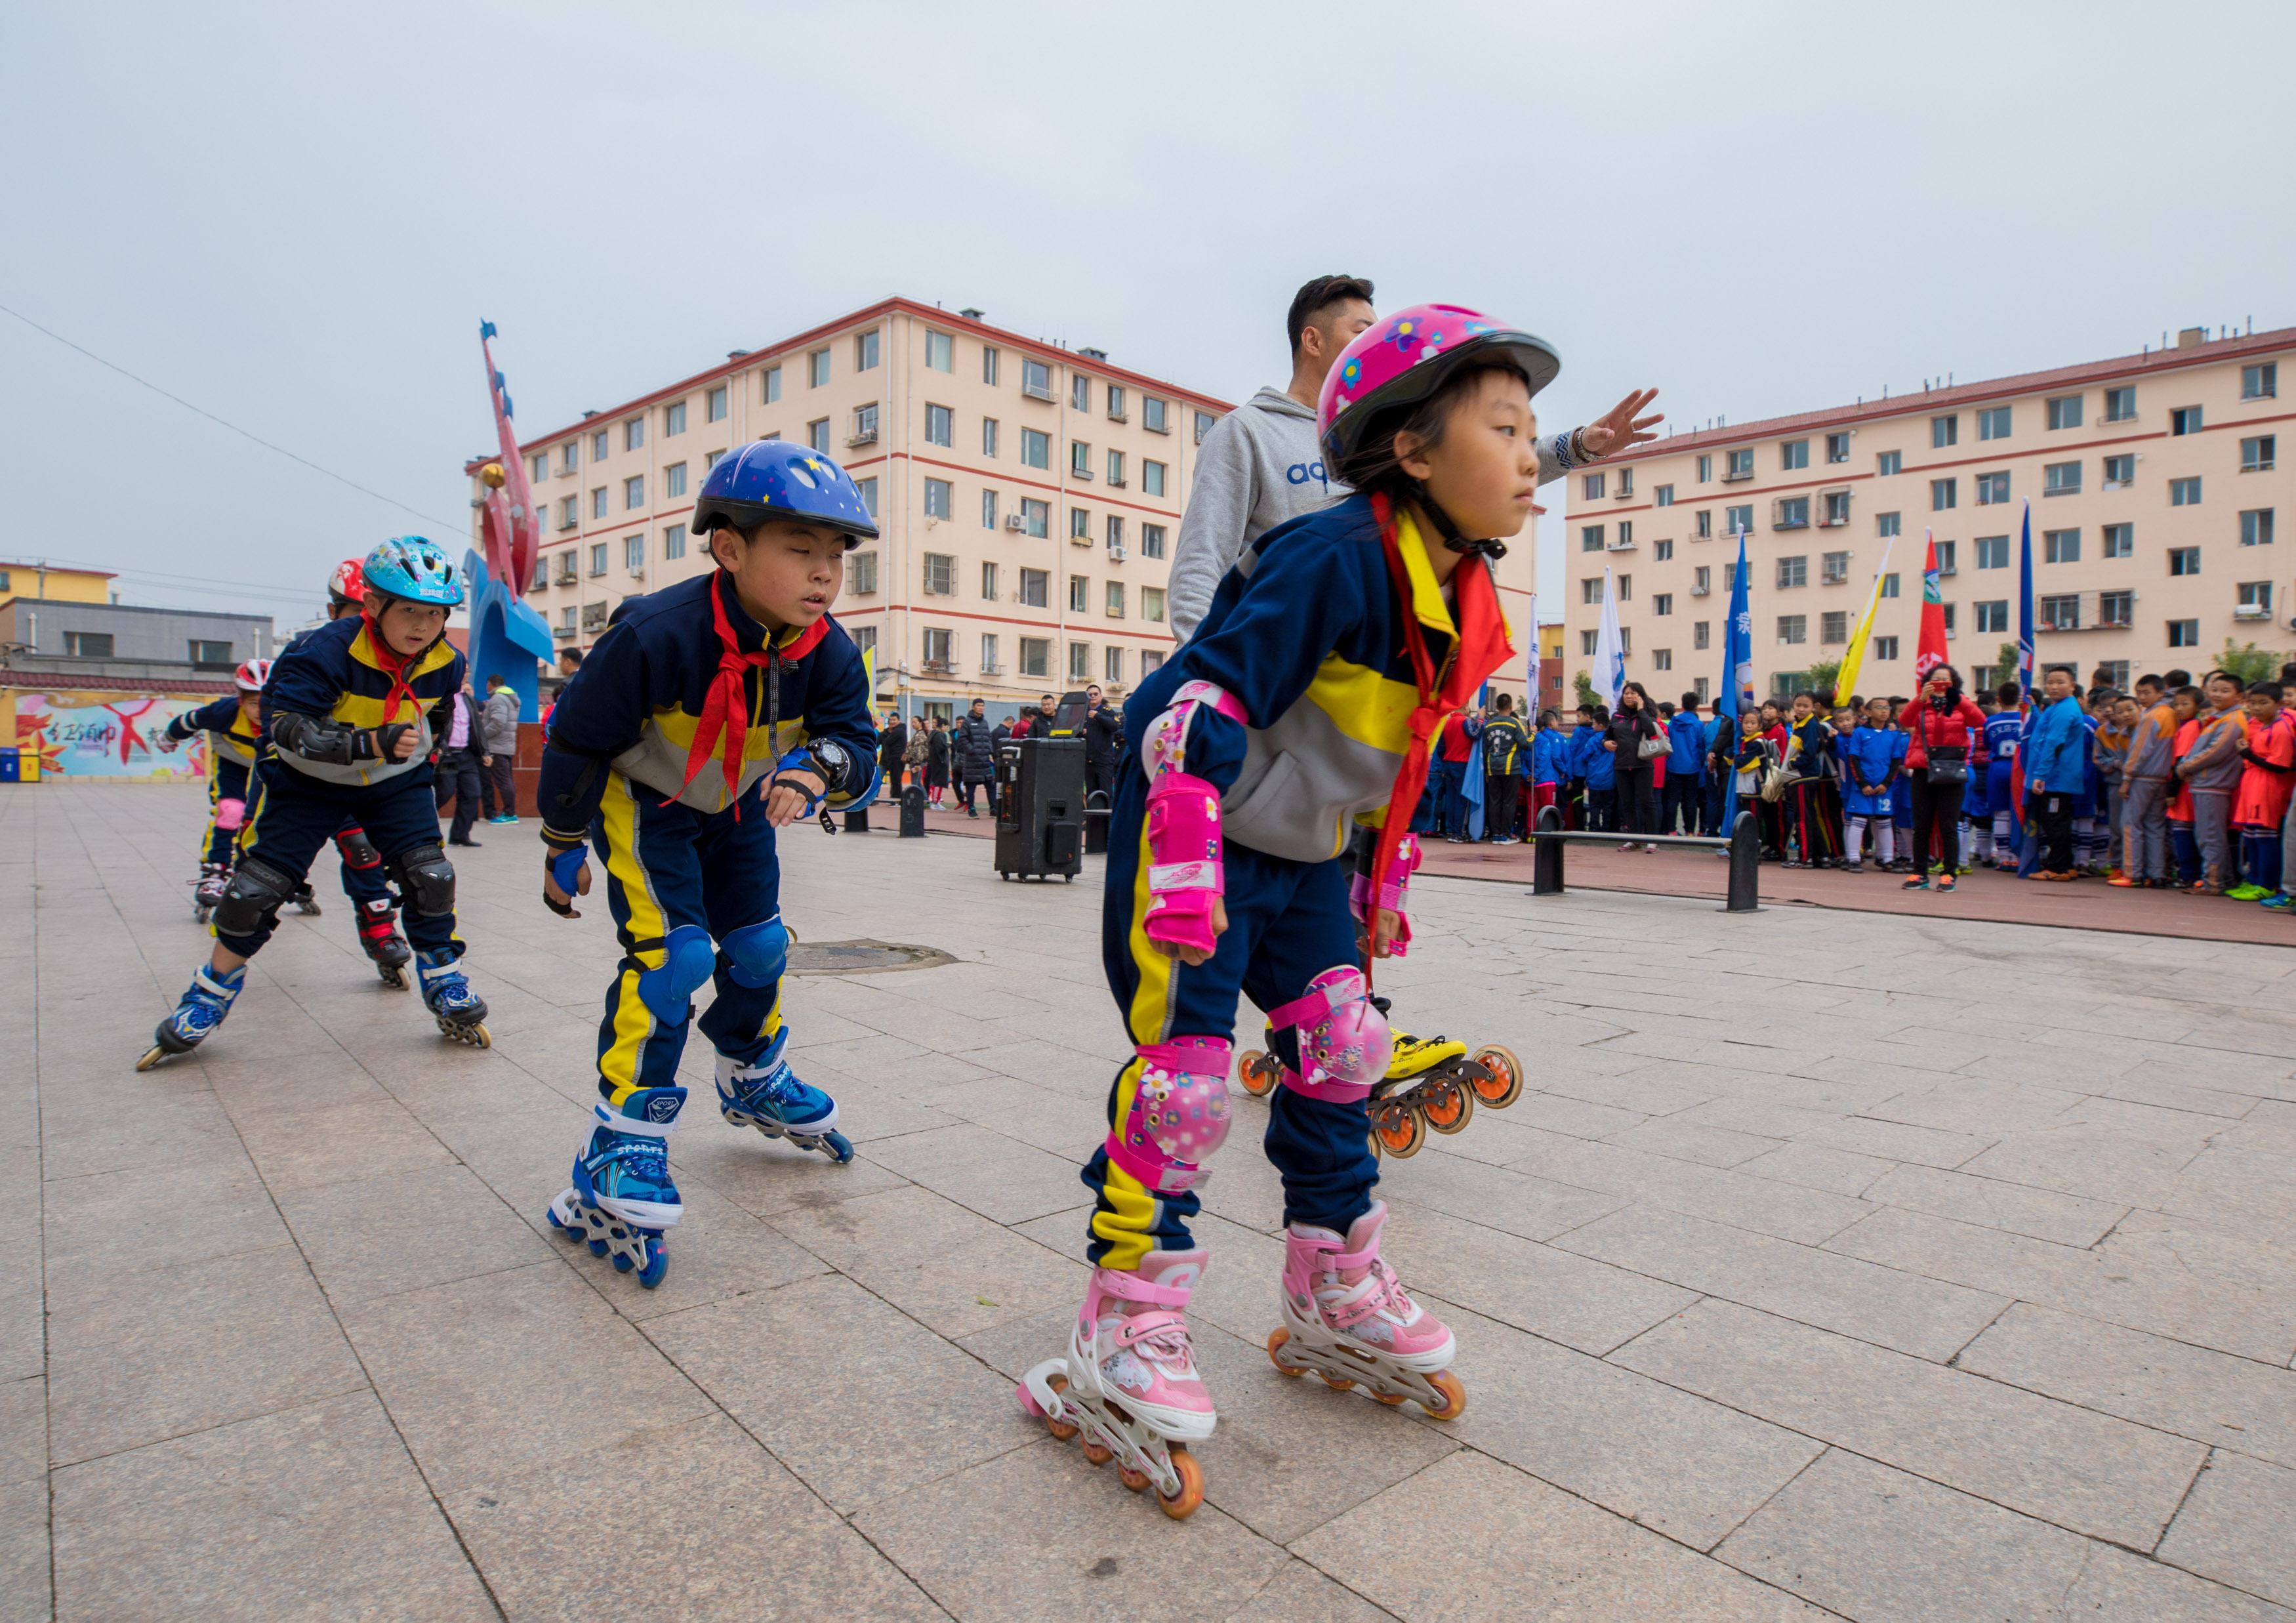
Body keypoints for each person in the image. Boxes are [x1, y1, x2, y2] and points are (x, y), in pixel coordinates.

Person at [1021, 301, 1544, 1515]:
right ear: (1411, 451)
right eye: (1505, 427)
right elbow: (1197, 708)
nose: (1529, 456)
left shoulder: (1463, 594)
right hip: (1195, 828)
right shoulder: (1332, 555)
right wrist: (1192, 870)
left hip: (1302, 853)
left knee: (1345, 1042)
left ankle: (1332, 1273)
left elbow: (1389, 758)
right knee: (1188, 1082)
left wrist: (1373, 885)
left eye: (1534, 432)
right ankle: (1128, 1314)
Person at [535, 440, 880, 1288]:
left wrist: (818, 768)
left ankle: (751, 1066)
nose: (824, 575)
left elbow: (857, 741)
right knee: (676, 958)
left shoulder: (827, 650)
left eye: (835, 556)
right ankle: (622, 1136)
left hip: (737, 809)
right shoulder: (658, 635)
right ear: (729, 549)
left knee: (761, 947)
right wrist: (559, 845)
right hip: (645, 805)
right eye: (800, 550)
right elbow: (576, 739)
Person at [138, 538, 488, 1070]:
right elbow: (288, 729)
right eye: (409, 610)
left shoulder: (445, 660)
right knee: (255, 890)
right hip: (310, 780)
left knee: (431, 876)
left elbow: (437, 716)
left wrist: (426, 758)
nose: (422, 626)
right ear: (372, 605)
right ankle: (210, 993)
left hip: (393, 781)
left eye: (436, 614)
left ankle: (442, 976)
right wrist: (370, 743)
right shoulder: (322, 651)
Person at [1164, 274, 1661, 643]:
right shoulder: (1247, 433)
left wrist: (1577, 447)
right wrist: (1206, 692)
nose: (1372, 347)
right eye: (1359, 333)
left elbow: (1476, 468)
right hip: (1275, 684)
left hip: (1371, 685)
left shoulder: (1383, 437)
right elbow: (1199, 569)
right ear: (1312, 341)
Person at [155, 656, 275, 920]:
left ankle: (285, 874)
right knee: (230, 811)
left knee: (271, 819)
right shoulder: (223, 712)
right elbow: (188, 722)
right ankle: (214, 873)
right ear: (241, 701)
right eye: (253, 703)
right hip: (233, 762)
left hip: (268, 766)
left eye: (267, 703)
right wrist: (168, 738)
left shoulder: (287, 716)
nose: (260, 710)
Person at [1901, 663, 1984, 893]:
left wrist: (1959, 699)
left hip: (1951, 770)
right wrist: (1920, 698)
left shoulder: (1960, 705)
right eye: (1935, 680)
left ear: (1953, 684)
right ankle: (1919, 873)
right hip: (1922, 769)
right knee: (1922, 825)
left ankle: (1949, 874)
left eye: (1945, 681)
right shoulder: (1921, 705)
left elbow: (1979, 721)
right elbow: (1905, 721)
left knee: (1949, 825)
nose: (1940, 685)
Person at [2176, 670, 2249, 894]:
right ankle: (2221, 879)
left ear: (2239, 696)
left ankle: (2213, 882)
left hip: (2214, 784)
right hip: (2205, 783)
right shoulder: (2218, 718)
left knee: (2210, 835)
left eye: (2225, 691)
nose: (2217, 694)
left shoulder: (2232, 720)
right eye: (2215, 689)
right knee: (2209, 834)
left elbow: (2215, 752)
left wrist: (2186, 766)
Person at [2229, 682, 2294, 899]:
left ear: (2279, 704)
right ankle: (2254, 880)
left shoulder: (2281, 729)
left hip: (2267, 786)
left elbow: (2280, 765)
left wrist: (2248, 754)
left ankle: (2267, 884)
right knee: (2251, 835)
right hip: (2252, 784)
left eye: (2263, 703)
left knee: (2265, 835)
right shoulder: (2260, 726)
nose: (2257, 708)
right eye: (2253, 703)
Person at [2021, 667, 2087, 880]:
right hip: (2054, 776)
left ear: (2072, 686)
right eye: (2050, 682)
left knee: (2055, 822)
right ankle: (2065, 866)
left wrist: (2041, 774)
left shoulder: (2066, 709)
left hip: (2055, 778)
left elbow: (2054, 742)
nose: (2053, 687)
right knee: (2056, 821)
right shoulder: (2058, 707)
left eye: (2060, 682)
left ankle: (2057, 869)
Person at [2116, 675, 2176, 888]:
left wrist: (2127, 778)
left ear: (2160, 692)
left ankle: (2133, 873)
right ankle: (2158, 873)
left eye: (2146, 693)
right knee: (2155, 826)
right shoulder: (2170, 713)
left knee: (2131, 824)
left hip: (2142, 777)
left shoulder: (2151, 716)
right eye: (2139, 693)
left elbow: (2139, 751)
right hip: (2161, 778)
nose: (2141, 697)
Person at [1839, 697, 1899, 873]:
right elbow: (1853, 759)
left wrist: (1887, 783)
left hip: (1884, 788)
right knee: (1858, 821)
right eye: (1879, 707)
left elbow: (1896, 761)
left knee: (1884, 822)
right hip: (1862, 787)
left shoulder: (1892, 734)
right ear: (1868, 711)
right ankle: (1853, 858)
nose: (1884, 711)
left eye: (1887, 707)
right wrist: (1862, 783)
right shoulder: (1859, 733)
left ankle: (1887, 858)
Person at [1780, 691, 1839, 868]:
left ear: (1814, 707)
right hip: (1803, 776)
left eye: (1806, 706)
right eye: (1798, 705)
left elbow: (1811, 752)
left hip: (1802, 776)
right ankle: (1823, 856)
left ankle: (1805, 858)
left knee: (1803, 819)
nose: (1801, 709)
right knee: (1810, 818)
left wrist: (1792, 764)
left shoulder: (1811, 725)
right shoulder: (1801, 724)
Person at [1605, 682, 1662, 852]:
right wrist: (1605, 743)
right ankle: (1634, 839)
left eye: (1633, 693)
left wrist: (1641, 710)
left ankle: (1652, 840)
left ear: (1640, 696)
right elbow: (1607, 736)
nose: (1629, 696)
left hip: (1643, 764)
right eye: (1626, 693)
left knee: (1647, 802)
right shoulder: (1617, 717)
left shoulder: (1647, 715)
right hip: (1622, 765)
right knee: (1628, 804)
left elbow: (1651, 732)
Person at [433, 680, 487, 848]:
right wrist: (437, 747)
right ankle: (417, 824)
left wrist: (485, 751)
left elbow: (477, 727)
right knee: (444, 792)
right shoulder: (442, 695)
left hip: (467, 754)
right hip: (447, 753)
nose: (464, 674)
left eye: (467, 671)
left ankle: (460, 835)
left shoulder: (469, 699)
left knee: (472, 793)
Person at [1479, 693, 1529, 844]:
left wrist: (1487, 770)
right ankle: (1505, 835)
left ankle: (1496, 835)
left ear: (1496, 707)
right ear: (1511, 707)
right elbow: (1526, 744)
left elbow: (1485, 749)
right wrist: (1532, 734)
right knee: (1509, 801)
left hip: (1493, 768)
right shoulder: (1515, 723)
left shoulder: (1490, 725)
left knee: (1494, 801)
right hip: (1511, 768)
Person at [479, 672, 522, 825]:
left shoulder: (498, 698)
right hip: (507, 744)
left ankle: (509, 814)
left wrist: (482, 735)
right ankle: (509, 812)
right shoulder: (509, 698)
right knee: (506, 779)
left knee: (503, 780)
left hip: (498, 745)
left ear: (491, 684)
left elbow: (498, 722)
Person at [1433, 705, 1480, 840]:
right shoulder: (1465, 722)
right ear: (1465, 708)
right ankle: (1458, 832)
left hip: (1448, 763)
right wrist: (1481, 720)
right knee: (1460, 800)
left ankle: (1452, 831)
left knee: (1451, 800)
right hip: (1462, 764)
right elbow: (1475, 735)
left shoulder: (1447, 722)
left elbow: (1441, 747)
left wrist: (1444, 763)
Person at [1664, 693, 1706, 834]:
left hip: (1674, 765)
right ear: (1696, 706)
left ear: (1682, 705)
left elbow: (1668, 743)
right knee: (1691, 800)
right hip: (1692, 767)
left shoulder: (1673, 723)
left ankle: (1671, 829)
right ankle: (1689, 831)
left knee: (1673, 799)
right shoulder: (1699, 725)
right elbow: (1701, 747)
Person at [954, 697, 996, 817]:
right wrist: (971, 750)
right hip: (972, 761)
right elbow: (962, 738)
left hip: (984, 761)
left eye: (982, 706)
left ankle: (993, 808)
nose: (981, 708)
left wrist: (990, 750)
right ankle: (971, 809)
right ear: (973, 707)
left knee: (990, 785)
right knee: (971, 786)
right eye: (978, 706)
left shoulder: (985, 722)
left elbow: (988, 738)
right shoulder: (967, 722)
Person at [1084, 682, 1122, 802]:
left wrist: (1098, 716)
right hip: (1088, 761)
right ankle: (1092, 820)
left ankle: (1106, 820)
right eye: (1090, 695)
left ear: (1101, 696)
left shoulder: (1107, 712)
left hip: (1103, 761)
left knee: (1106, 794)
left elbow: (1115, 726)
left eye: (1096, 694)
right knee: (1091, 794)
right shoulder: (1083, 713)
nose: (1093, 696)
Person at [878, 710, 909, 796]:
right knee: (877, 780)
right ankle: (874, 798)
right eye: (890, 720)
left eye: (894, 720)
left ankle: (894, 799)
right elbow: (876, 744)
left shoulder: (900, 731)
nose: (892, 722)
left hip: (895, 760)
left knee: (895, 780)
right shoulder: (883, 734)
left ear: (899, 721)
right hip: (884, 761)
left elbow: (889, 742)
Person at [925, 715, 951, 808]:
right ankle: (935, 801)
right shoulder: (940, 735)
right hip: (940, 763)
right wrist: (948, 745)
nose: (946, 729)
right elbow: (941, 748)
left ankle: (934, 800)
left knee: (934, 781)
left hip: (934, 762)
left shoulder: (933, 735)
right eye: (946, 727)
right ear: (943, 725)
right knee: (938, 783)